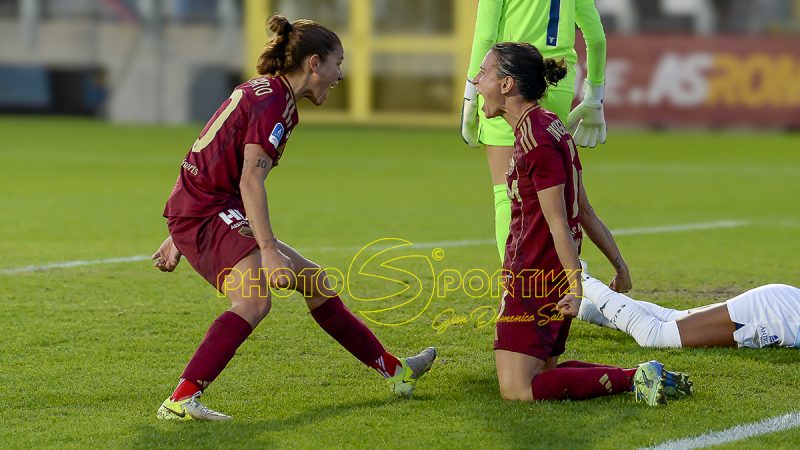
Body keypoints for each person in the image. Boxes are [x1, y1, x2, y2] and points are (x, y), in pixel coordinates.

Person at [151, 15, 436, 421]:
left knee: (315, 281)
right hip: (209, 211)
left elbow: (212, 157)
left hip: (205, 208)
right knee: (252, 300)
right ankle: (180, 399)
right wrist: (266, 250)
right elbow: (250, 179)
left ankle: (397, 372)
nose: (340, 75)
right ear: (314, 63)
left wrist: (177, 232)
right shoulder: (275, 105)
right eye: (338, 63)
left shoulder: (264, 92)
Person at [472, 42, 692, 406]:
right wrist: (618, 265)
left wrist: (575, 289)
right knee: (542, 375)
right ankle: (641, 374)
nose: (476, 82)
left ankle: (635, 377)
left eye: (484, 73)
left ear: (507, 84)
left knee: (518, 389)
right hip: (551, 274)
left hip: (536, 277)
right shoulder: (550, 126)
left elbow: (560, 222)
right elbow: (585, 211)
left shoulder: (535, 141)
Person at [462, 0, 610, 261]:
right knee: (550, 188)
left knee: (506, 196)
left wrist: (470, 95)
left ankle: (518, 280)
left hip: (508, 83)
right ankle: (568, 275)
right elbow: (596, 37)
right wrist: (594, 95)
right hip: (557, 82)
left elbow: (485, 33)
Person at [578, 263, 800, 349]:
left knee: (673, 318)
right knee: (656, 336)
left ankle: (581, 307)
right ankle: (579, 277)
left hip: (782, 308)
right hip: (778, 314)